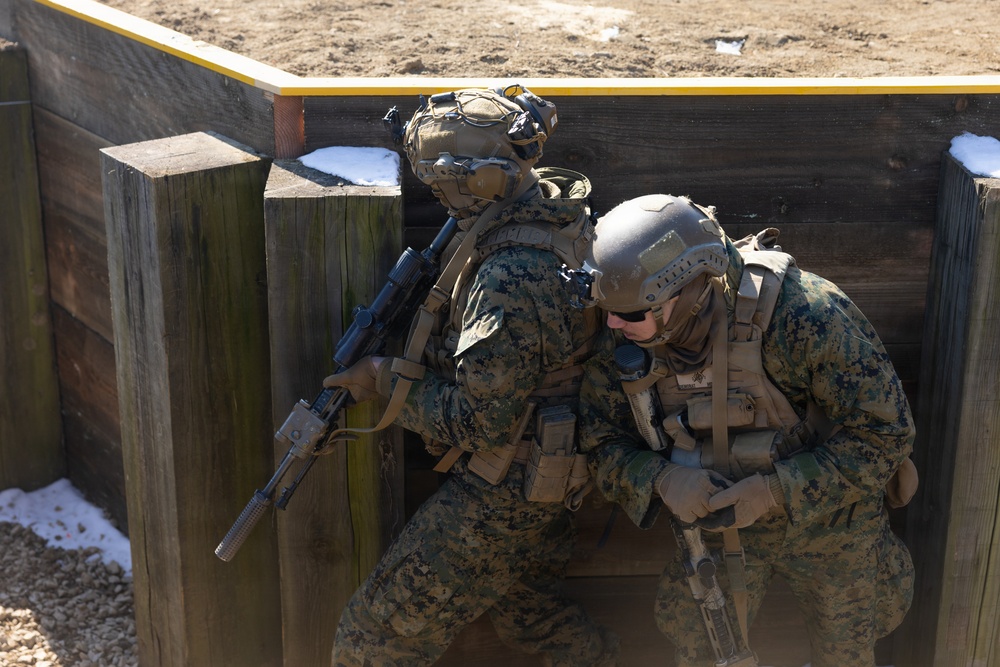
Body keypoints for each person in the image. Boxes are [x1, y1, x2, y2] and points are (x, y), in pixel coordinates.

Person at [325, 85, 619, 666]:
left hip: (504, 491)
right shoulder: (552, 210)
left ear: (479, 181)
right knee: (532, 618)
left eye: (440, 181)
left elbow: (480, 422)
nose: (435, 192)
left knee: (373, 639)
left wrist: (382, 378)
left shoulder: (509, 276)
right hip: (550, 472)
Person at [568, 193, 916, 667]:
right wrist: (661, 479)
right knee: (702, 649)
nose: (613, 322)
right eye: (609, 308)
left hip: (832, 519)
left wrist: (775, 490)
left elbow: (886, 434)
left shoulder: (803, 314)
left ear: (688, 293)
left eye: (630, 313)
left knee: (848, 650)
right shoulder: (627, 334)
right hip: (715, 527)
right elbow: (602, 442)